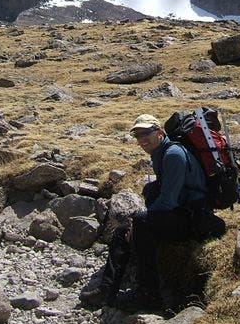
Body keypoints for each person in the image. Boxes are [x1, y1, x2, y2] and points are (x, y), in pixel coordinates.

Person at [80, 113, 226, 312]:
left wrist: (140, 224)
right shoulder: (160, 153)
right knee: (125, 228)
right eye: (137, 135)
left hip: (195, 220)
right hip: (181, 214)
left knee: (139, 222)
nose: (142, 139)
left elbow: (168, 200)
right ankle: (107, 290)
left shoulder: (173, 154)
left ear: (160, 132)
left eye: (146, 133)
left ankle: (149, 294)